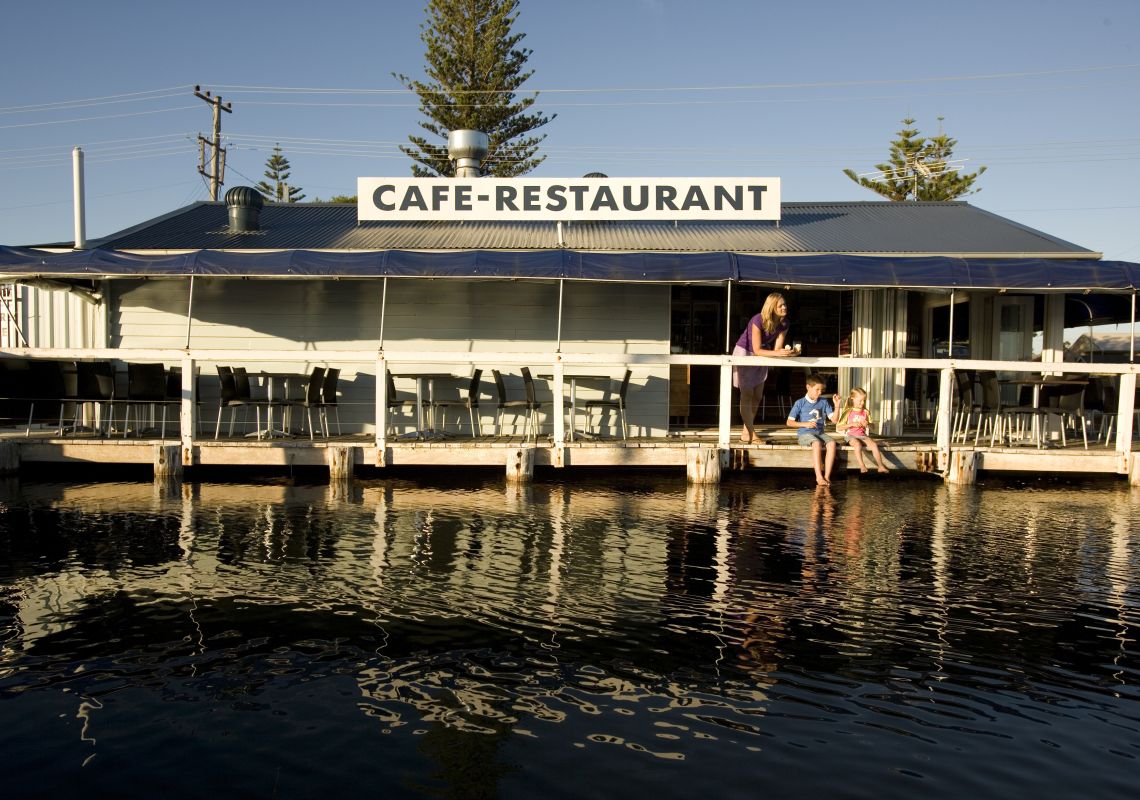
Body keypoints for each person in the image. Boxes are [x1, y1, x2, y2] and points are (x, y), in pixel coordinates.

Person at [732, 292, 794, 444]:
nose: (784, 307)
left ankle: (746, 433)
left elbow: (778, 348)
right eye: (780, 305)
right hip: (746, 353)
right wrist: (777, 353)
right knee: (746, 394)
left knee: (757, 396)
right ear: (772, 307)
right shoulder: (757, 320)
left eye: (785, 304)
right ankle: (752, 435)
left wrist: (789, 352)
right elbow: (757, 349)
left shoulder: (785, 323)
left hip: (764, 354)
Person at [787, 374, 841, 485]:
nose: (820, 392)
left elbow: (835, 420)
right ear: (808, 387)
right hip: (805, 434)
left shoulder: (824, 402)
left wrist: (837, 406)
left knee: (831, 443)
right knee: (816, 443)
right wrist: (805, 424)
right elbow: (789, 422)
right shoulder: (800, 403)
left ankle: (826, 477)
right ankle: (819, 477)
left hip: (820, 433)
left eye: (821, 390)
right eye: (817, 389)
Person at [836, 387, 889, 474]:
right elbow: (839, 427)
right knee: (857, 444)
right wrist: (851, 424)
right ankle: (862, 465)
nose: (862, 403)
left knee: (874, 445)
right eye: (860, 400)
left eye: (864, 400)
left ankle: (880, 466)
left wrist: (867, 424)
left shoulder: (865, 412)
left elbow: (873, 427)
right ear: (852, 398)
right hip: (851, 436)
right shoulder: (848, 411)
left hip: (863, 436)